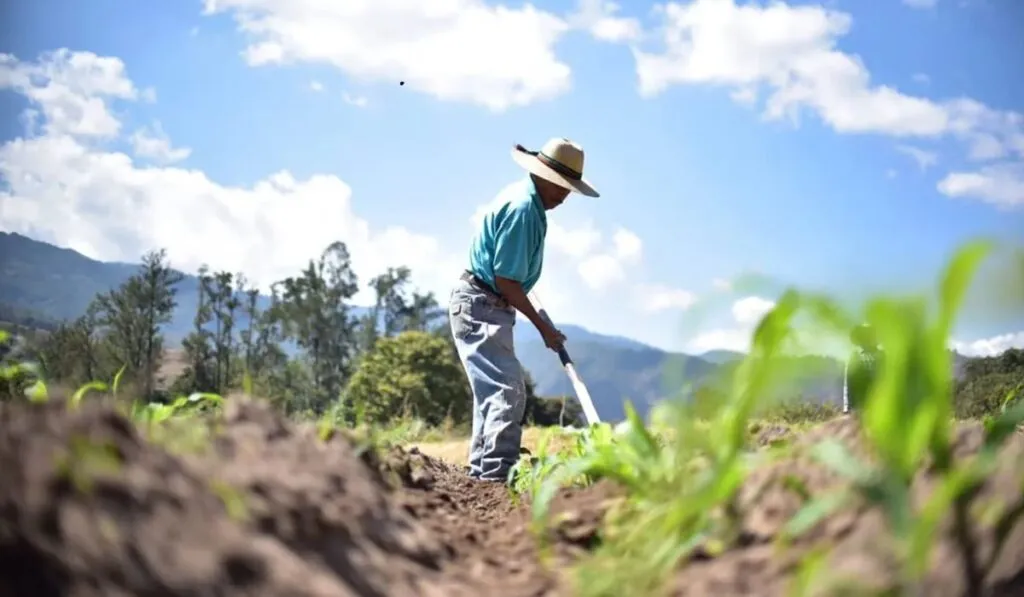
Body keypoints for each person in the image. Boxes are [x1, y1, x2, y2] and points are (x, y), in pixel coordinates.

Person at [448, 138, 600, 483]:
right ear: (543, 175)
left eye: (568, 189)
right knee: (506, 389)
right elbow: (506, 280)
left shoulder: (530, 205)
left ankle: (483, 473)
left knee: (493, 392)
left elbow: (512, 277)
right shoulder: (523, 210)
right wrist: (542, 328)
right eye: (561, 187)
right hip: (482, 303)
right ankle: (496, 476)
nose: (564, 196)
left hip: (488, 304)